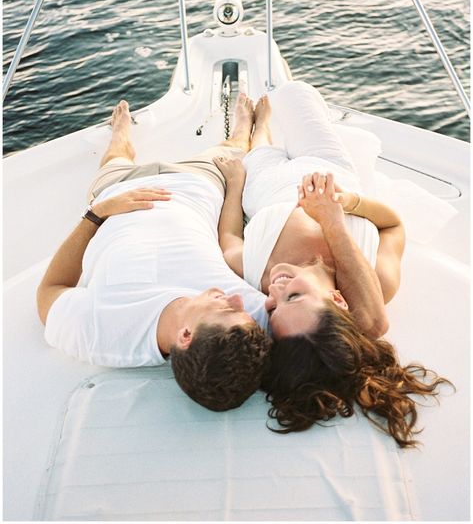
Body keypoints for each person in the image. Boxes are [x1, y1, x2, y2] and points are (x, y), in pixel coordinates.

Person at [216, 81, 451, 447]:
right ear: (339, 301)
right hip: (329, 170)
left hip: (264, 187)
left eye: (273, 308)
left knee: (260, 145)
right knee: (294, 92)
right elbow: (393, 224)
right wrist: (339, 209)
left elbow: (230, 239)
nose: (274, 290)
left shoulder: (259, 275)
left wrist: (235, 183)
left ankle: (253, 126)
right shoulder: (376, 283)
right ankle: (264, 123)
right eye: (292, 297)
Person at [37, 96, 272, 412]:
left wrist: (97, 214)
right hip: (199, 183)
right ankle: (243, 124)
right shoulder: (250, 323)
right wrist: (234, 186)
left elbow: (50, 291)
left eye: (227, 309)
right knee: (234, 145)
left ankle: (120, 134)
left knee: (115, 156)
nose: (238, 300)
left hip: (117, 191)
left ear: (185, 336)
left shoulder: (98, 331)